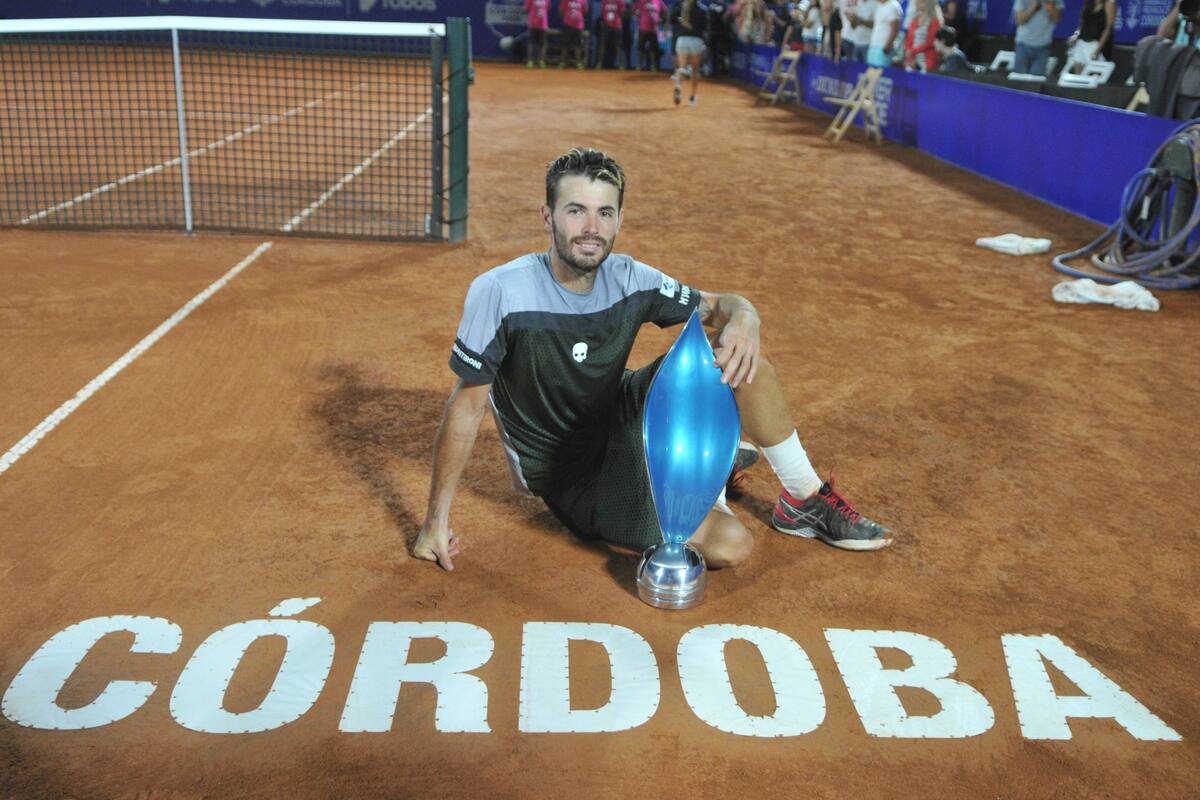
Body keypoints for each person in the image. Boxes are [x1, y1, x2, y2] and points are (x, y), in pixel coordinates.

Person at [414, 148, 893, 574]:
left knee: (742, 360)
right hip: (576, 477)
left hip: (622, 410)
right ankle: (707, 469)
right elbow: (467, 406)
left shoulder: (631, 277)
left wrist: (746, 317)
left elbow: (721, 304)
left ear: (620, 220)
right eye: (576, 211)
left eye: (604, 213)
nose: (590, 228)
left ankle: (802, 497)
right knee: (731, 545)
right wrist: (435, 522)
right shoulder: (501, 292)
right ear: (548, 216)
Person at [1011, 0, 1063, 76]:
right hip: (1023, 43)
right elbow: (1020, 20)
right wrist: (1035, 4)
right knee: (1018, 79)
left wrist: (1047, 3)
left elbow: (1056, 18)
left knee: (1036, 82)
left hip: (1043, 45)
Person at [672, 0, 709, 105]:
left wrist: (681, 20)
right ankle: (692, 97)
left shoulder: (681, 7)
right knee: (694, 70)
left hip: (682, 40)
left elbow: (672, 19)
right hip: (696, 40)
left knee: (682, 67)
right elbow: (705, 28)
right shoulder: (703, 9)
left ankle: (678, 85)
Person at [1064, 0, 1115, 73]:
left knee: (1095, 74)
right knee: (1078, 74)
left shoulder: (1110, 3)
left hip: (1098, 44)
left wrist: (1097, 50)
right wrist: (1075, 36)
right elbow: (1082, 24)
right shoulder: (1088, 2)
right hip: (1082, 42)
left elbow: (1108, 28)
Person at [904, 0, 943, 71]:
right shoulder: (915, 19)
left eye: (920, 1)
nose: (916, 3)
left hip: (927, 61)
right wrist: (909, 53)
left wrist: (913, 51)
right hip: (912, 59)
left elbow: (931, 41)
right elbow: (909, 39)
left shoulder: (935, 21)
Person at [865, 0, 901, 66]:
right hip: (873, 46)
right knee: (870, 73)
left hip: (883, 49)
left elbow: (895, 30)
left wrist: (888, 46)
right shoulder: (879, 5)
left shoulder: (893, 6)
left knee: (881, 74)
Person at [637, 0, 667, 70]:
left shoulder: (659, 1)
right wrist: (641, 19)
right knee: (640, 48)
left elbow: (665, 11)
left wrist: (661, 19)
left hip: (654, 29)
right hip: (643, 28)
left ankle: (653, 65)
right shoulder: (641, 1)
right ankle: (639, 65)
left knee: (653, 49)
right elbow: (637, 11)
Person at [596, 0, 627, 68]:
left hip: (617, 26)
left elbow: (622, 14)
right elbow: (602, 13)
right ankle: (599, 63)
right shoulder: (604, 1)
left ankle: (621, 64)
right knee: (602, 45)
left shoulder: (620, 1)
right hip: (606, 26)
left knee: (618, 45)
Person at [560, 0, 589, 68]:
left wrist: (578, 18)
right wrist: (567, 18)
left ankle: (578, 63)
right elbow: (561, 11)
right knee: (565, 45)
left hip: (579, 26)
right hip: (567, 24)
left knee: (578, 45)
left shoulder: (583, 1)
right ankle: (562, 62)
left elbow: (585, 11)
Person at [525, 0, 552, 67]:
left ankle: (541, 61)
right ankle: (530, 61)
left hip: (542, 24)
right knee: (531, 43)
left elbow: (548, 8)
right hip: (533, 24)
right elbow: (526, 9)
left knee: (542, 44)